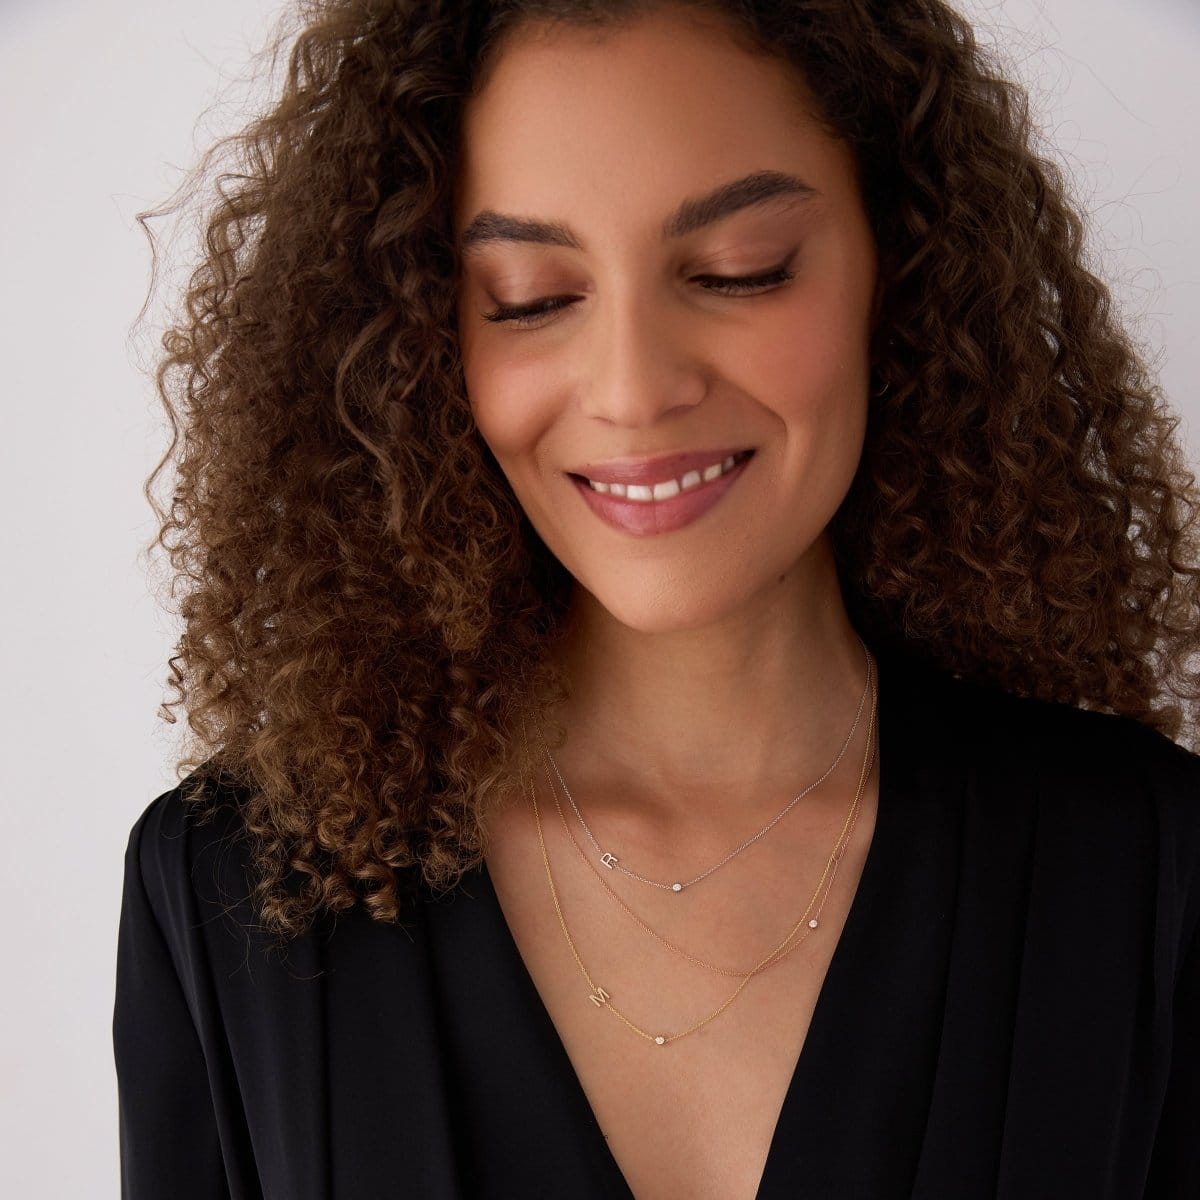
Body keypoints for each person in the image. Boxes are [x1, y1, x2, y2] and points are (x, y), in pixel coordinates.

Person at [112, 1, 1200, 1197]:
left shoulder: (1146, 870)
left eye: (740, 272)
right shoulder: (236, 889)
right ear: (424, 337)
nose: (632, 390)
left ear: (902, 265)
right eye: (530, 296)